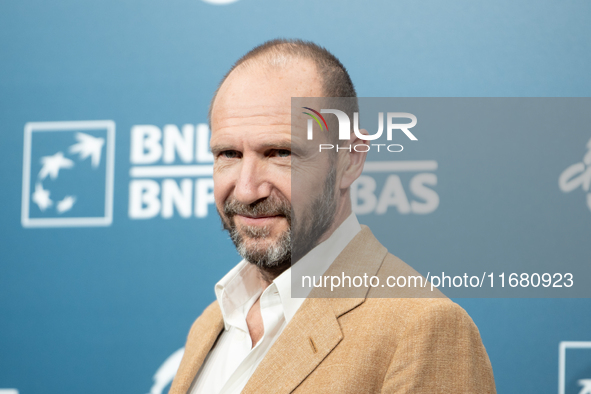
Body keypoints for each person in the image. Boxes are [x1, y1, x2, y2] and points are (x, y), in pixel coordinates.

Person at [169, 39, 496, 394]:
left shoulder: (422, 327)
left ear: (350, 160)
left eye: (280, 152)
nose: (247, 190)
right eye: (229, 154)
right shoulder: (210, 324)